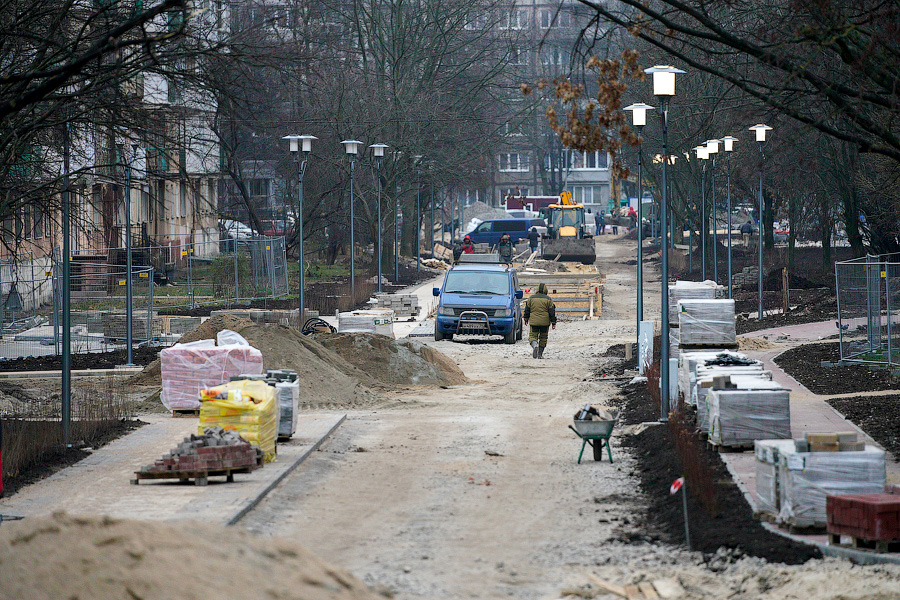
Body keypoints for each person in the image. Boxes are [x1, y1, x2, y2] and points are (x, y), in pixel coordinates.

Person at [524, 283, 556, 359]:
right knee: (543, 338)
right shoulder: (548, 299)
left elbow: (527, 310)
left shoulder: (531, 298)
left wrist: (526, 319)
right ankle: (539, 355)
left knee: (532, 336)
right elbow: (552, 312)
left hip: (534, 322)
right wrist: (553, 322)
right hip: (545, 323)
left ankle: (535, 346)